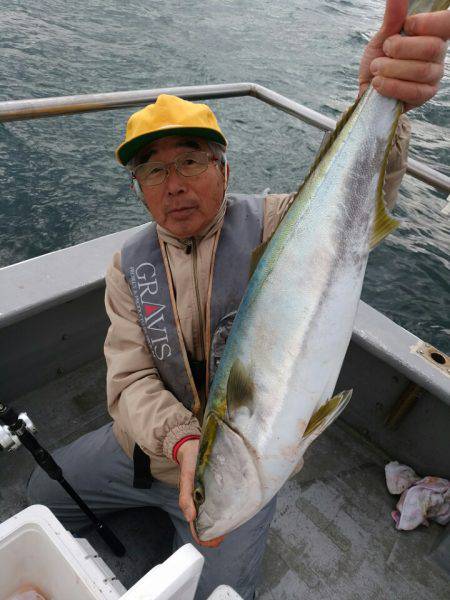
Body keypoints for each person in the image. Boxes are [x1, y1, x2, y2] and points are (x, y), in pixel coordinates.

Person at [27, 2, 450, 598]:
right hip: (157, 452)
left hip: (237, 469)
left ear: (225, 168)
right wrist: (181, 439)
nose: (173, 184)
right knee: (41, 497)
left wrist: (387, 103)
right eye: (152, 172)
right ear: (138, 190)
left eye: (191, 161)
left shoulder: (277, 226)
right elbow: (128, 384)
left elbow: (350, 210)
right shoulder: (129, 267)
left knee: (216, 590)